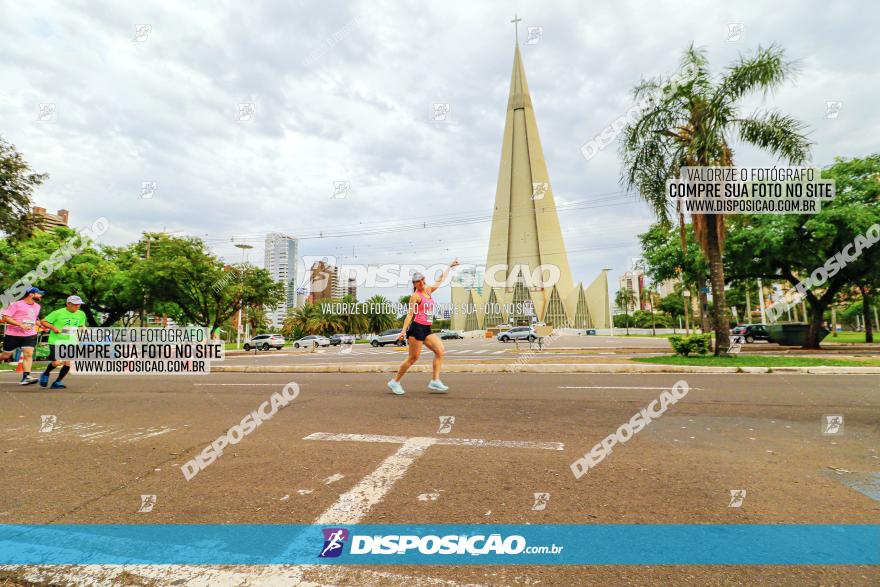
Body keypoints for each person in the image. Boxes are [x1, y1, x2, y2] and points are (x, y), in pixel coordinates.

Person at [387, 259, 459, 396]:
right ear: (414, 284)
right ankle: (395, 381)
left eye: (420, 280)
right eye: (416, 282)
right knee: (413, 358)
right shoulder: (415, 296)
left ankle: (435, 380)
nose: (419, 283)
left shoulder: (428, 291)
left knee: (440, 351)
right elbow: (410, 314)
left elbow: (440, 280)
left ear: (424, 280)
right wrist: (403, 331)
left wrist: (449, 266)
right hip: (417, 329)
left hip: (427, 328)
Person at [39, 295, 87, 389]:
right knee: (57, 362)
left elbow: (81, 325)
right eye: (75, 304)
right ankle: (46, 373)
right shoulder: (58, 313)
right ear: (68, 304)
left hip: (71, 341)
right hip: (57, 340)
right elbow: (43, 321)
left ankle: (57, 382)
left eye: (79, 305)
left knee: (67, 363)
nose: (77, 306)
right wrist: (53, 328)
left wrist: (84, 330)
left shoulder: (81, 314)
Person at [0, 287, 45, 385]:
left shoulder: (37, 306)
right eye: (39, 293)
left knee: (28, 354)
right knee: (6, 355)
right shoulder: (16, 305)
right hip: (13, 334)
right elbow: (5, 318)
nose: (41, 295)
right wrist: (20, 325)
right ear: (31, 294)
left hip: (30, 334)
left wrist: (40, 324)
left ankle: (26, 377)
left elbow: (34, 318)